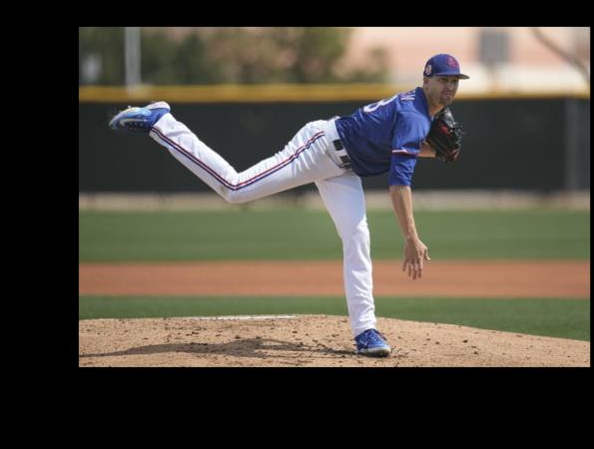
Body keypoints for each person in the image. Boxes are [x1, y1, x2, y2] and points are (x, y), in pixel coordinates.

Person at [109, 53, 469, 357]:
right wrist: (411, 236)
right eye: (443, 80)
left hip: (345, 169)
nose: (449, 87)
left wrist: (433, 151)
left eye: (455, 81)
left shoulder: (418, 110)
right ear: (426, 80)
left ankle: (365, 331)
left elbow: (397, 146)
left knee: (357, 237)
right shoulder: (416, 116)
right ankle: (164, 123)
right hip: (319, 148)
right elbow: (398, 183)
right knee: (235, 188)